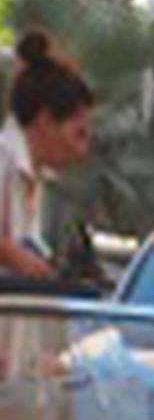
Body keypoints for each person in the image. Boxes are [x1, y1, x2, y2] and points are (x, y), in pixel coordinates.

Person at [0, 28, 95, 283]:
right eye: (78, 134)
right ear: (45, 122)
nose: (81, 151)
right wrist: (14, 256)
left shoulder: (38, 181)